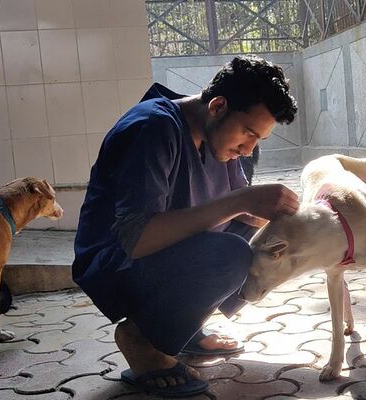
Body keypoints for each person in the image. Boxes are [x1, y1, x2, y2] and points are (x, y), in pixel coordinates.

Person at [72, 55, 299, 397]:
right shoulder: (153, 127)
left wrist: (299, 221)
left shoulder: (217, 139)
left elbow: (243, 209)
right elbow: (138, 239)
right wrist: (240, 202)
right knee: (231, 254)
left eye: (258, 140)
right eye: (248, 133)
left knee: (267, 241)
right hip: (117, 263)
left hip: (164, 256)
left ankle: (182, 327)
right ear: (218, 106)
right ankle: (141, 339)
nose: (248, 148)